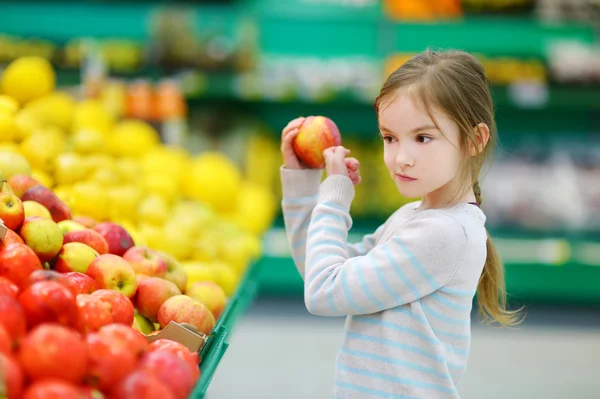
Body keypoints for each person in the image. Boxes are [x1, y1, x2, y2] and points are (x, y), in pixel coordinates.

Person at [279, 49, 523, 398]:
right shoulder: (414, 217)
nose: (400, 158)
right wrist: (305, 185)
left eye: (423, 138)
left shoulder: (443, 234)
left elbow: (324, 292)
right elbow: (318, 268)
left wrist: (334, 198)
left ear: (474, 140)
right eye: (390, 138)